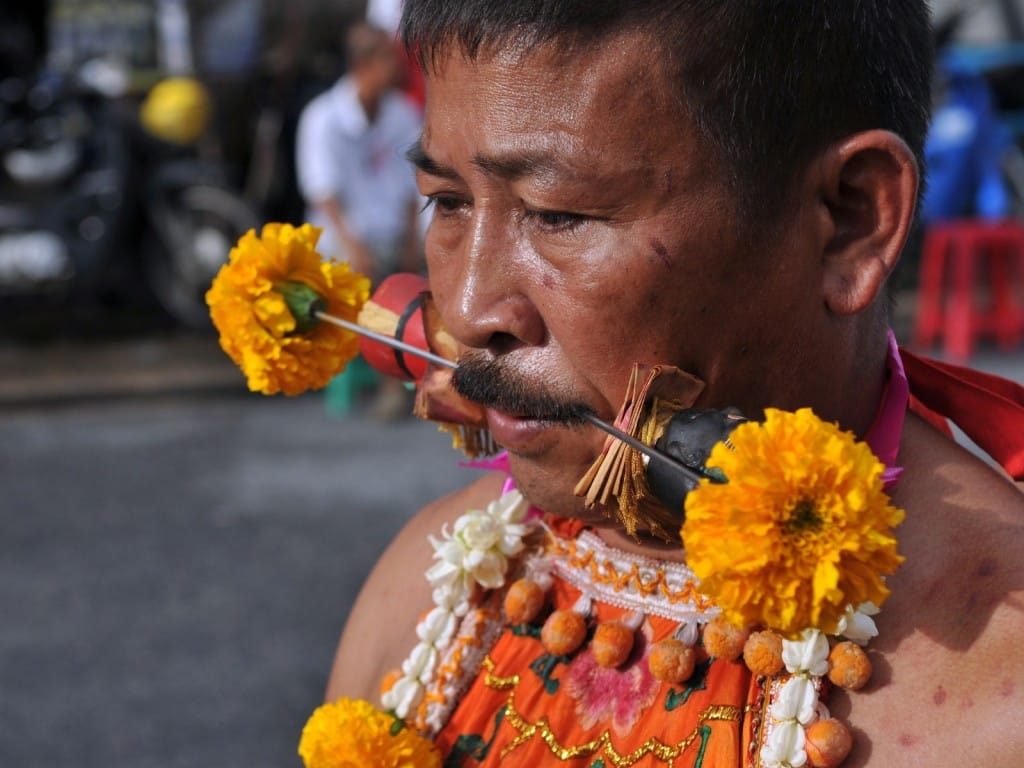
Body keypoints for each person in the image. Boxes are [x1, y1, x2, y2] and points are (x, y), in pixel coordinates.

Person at [324, 2, 1024, 765]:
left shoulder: (995, 699)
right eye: (447, 202)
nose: (467, 308)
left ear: (849, 221)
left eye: (558, 214)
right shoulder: (422, 596)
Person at [295, 20, 423, 419]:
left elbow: (411, 189)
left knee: (420, 274)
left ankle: (415, 377)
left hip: (391, 235)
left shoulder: (402, 113)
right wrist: (355, 247)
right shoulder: (322, 117)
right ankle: (392, 384)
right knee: (377, 285)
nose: (399, 67)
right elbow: (323, 195)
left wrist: (410, 243)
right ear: (364, 65)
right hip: (342, 238)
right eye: (389, 58)